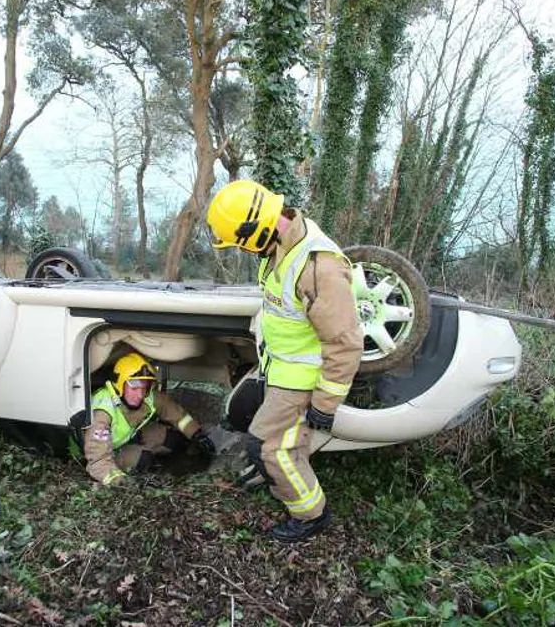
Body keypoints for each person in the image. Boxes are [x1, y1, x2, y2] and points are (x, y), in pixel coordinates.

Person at [205, 179, 363, 542]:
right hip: (281, 372)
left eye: (240, 243)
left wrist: (325, 403)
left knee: (271, 449)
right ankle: (284, 486)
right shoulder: (280, 246)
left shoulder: (318, 268)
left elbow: (345, 343)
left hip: (301, 381)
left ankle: (310, 515)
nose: (243, 251)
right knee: (270, 444)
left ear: (256, 229)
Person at [81, 352, 216, 486]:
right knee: (144, 460)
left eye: (144, 387)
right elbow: (98, 462)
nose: (140, 395)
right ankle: (149, 468)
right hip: (106, 448)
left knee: (172, 438)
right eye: (134, 387)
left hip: (129, 435)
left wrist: (197, 434)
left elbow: (174, 412)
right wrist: (123, 482)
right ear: (119, 384)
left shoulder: (147, 395)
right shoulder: (102, 412)